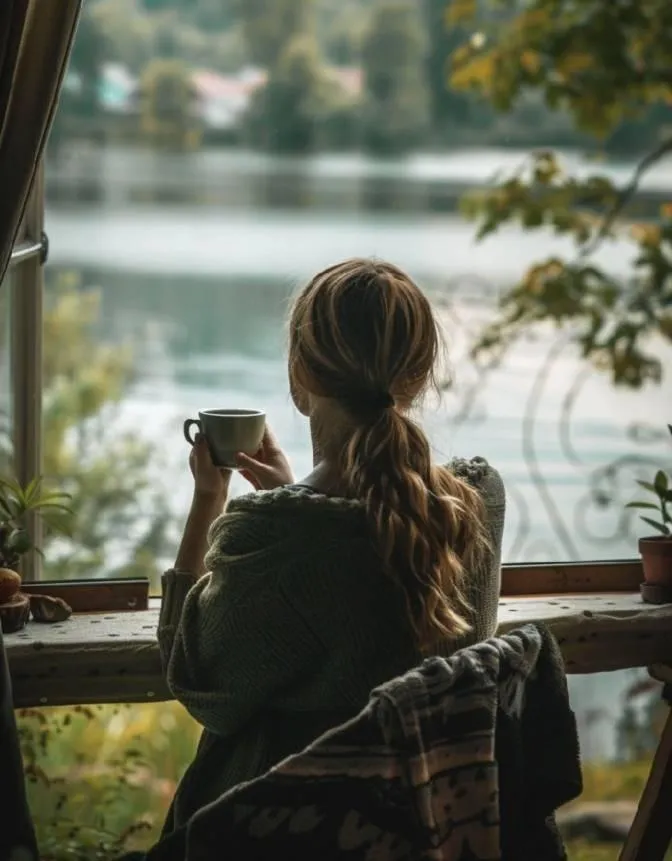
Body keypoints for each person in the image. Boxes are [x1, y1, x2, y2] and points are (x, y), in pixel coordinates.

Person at [159, 258, 506, 834]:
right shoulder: (475, 506)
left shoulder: (271, 539)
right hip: (423, 832)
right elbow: (356, 554)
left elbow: (199, 681)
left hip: (280, 839)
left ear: (300, 375)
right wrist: (292, 498)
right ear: (418, 378)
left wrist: (208, 499)